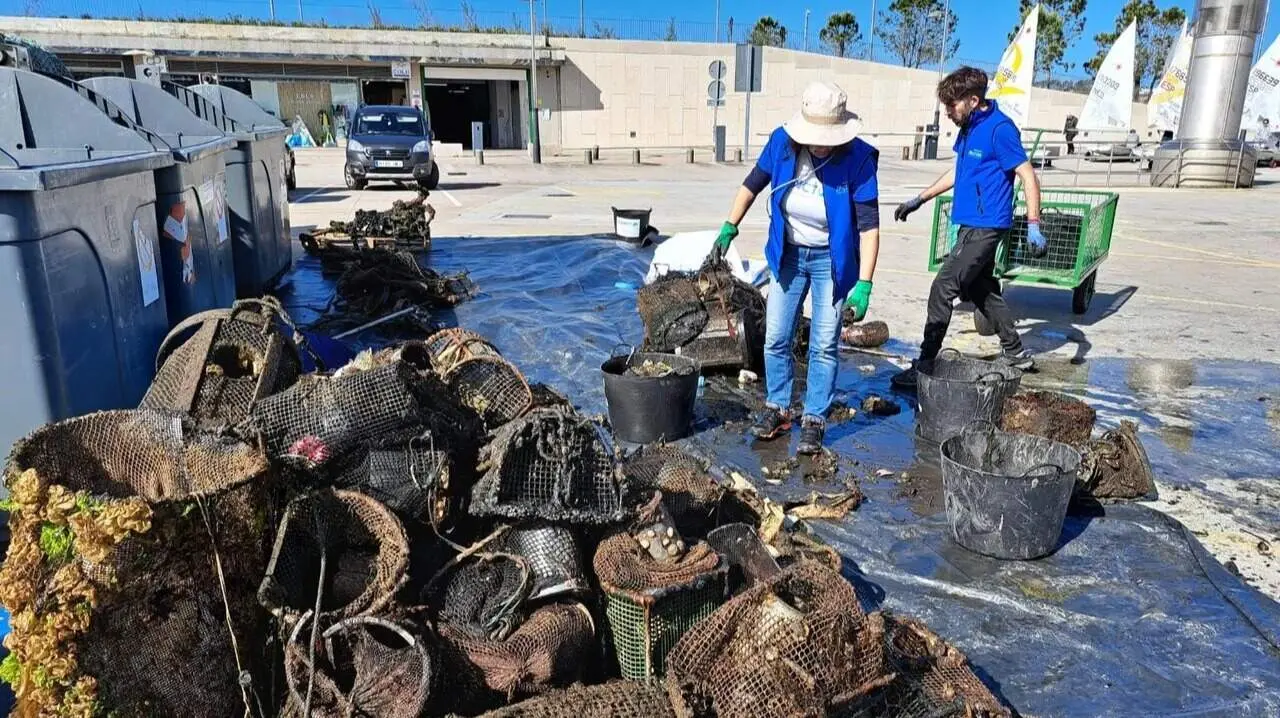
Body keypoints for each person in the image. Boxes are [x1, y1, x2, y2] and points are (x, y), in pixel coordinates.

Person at [709, 82, 881, 455]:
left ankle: (815, 417)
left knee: (823, 344)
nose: (820, 144)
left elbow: (868, 227)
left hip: (829, 262)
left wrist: (864, 283)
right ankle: (778, 406)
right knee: (776, 336)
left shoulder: (859, 159)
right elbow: (751, 186)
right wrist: (729, 226)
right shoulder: (782, 144)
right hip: (787, 254)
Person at [891, 67, 1046, 389]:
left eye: (952, 105)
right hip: (970, 224)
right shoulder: (969, 128)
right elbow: (959, 170)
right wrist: (920, 198)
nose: (948, 112)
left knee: (942, 289)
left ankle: (925, 364)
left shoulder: (999, 130)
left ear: (974, 100)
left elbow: (1028, 175)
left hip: (985, 227)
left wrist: (1034, 223)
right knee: (981, 289)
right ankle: (1015, 352)